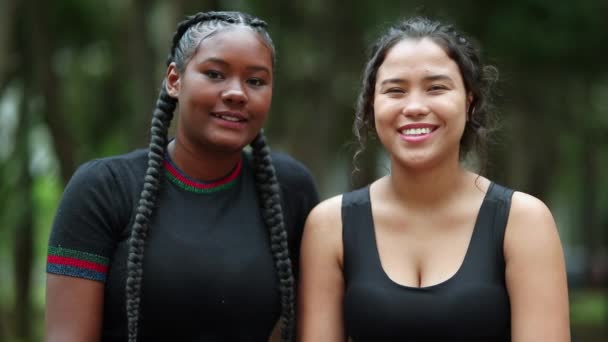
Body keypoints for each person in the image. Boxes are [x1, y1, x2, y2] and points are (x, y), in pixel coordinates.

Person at [45, 11, 318, 342]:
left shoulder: (289, 190)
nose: (237, 93)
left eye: (256, 81)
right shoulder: (103, 189)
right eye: (215, 74)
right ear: (174, 80)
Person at [298, 16, 570, 341]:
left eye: (436, 88)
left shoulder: (523, 221)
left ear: (469, 102)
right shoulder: (329, 225)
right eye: (395, 90)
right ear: (372, 106)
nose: (414, 106)